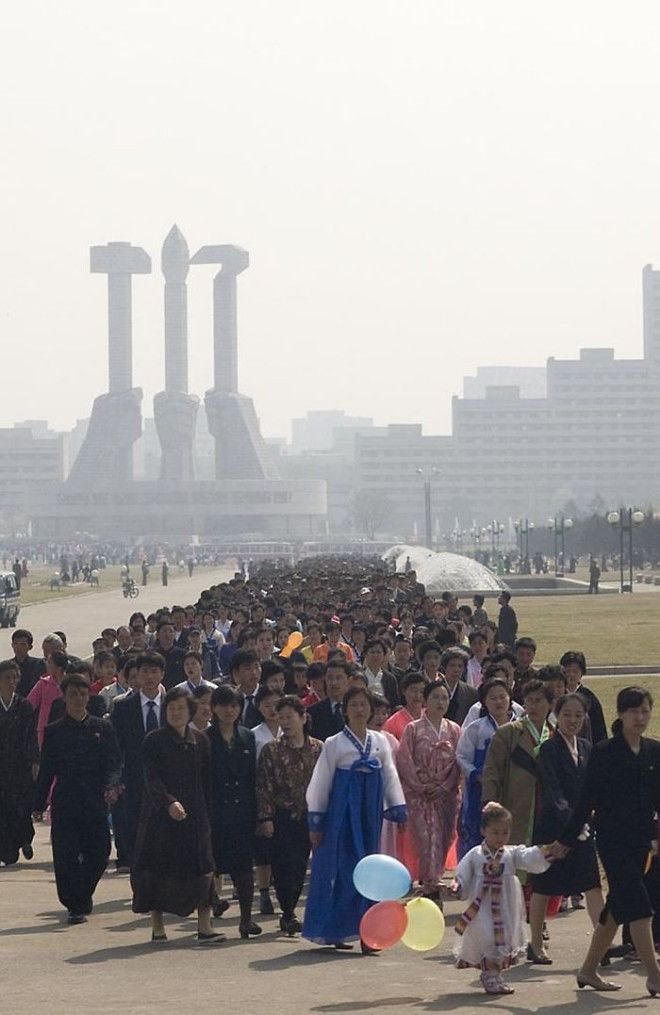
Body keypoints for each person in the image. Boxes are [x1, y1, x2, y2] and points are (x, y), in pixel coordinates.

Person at [553, 686, 660, 995]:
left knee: (615, 908)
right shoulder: (604, 752)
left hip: (643, 844)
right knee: (640, 908)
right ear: (621, 714)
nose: (640, 717)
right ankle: (653, 974)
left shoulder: (654, 751)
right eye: (633, 711)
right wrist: (566, 840)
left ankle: (588, 971)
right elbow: (586, 801)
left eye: (645, 711)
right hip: (613, 842)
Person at [303, 686, 407, 950]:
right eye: (354, 706)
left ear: (371, 709)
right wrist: (317, 819)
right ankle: (339, 929)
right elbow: (321, 783)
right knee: (345, 868)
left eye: (364, 705)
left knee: (371, 868)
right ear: (345, 711)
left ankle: (369, 933)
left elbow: (390, 775)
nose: (359, 710)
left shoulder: (381, 741)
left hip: (370, 810)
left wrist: (397, 806)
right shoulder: (334, 743)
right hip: (342, 813)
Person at [131, 687, 222, 944]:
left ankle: (204, 926)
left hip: (196, 818)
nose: (176, 712)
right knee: (158, 872)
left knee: (204, 868)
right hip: (161, 818)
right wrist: (168, 802)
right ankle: (157, 926)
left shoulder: (201, 741)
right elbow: (151, 778)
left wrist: (209, 816)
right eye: (171, 708)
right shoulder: (154, 740)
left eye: (181, 708)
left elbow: (208, 781)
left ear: (190, 711)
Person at [32, 674, 121, 924]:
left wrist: (112, 786)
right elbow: (47, 770)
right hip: (66, 803)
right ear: (64, 697)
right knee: (66, 856)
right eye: (73, 694)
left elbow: (114, 762)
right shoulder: (54, 731)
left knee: (100, 851)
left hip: (95, 801)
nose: (79, 699)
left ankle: (82, 893)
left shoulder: (102, 728)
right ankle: (74, 904)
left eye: (83, 694)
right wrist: (38, 805)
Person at [527, 692, 603, 964]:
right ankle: (535, 944)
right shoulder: (549, 748)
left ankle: (601, 943)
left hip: (582, 829)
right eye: (567, 714)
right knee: (544, 887)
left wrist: (588, 821)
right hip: (553, 830)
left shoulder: (586, 747)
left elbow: (593, 789)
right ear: (557, 716)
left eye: (578, 715)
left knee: (593, 885)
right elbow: (553, 792)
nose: (573, 720)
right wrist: (573, 823)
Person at [451, 803, 553, 995]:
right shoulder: (476, 854)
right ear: (483, 830)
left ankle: (494, 975)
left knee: (503, 938)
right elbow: (462, 873)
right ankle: (490, 975)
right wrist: (458, 886)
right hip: (482, 908)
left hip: (506, 906)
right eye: (495, 832)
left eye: (505, 833)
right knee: (487, 936)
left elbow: (530, 856)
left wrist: (549, 851)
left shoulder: (511, 853)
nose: (500, 837)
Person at [256, 695, 323, 935]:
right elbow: (263, 785)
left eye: (290, 717)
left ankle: (289, 909)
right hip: (282, 817)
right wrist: (265, 818)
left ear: (303, 718)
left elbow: (325, 783)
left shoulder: (318, 748)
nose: (285, 722)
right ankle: (288, 913)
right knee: (283, 867)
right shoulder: (271, 750)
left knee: (300, 867)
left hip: (309, 816)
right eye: (281, 717)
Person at [396, 678, 461, 900]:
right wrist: (420, 786)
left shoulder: (454, 730)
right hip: (420, 796)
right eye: (435, 697)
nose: (440, 702)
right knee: (424, 840)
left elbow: (458, 763)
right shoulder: (412, 729)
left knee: (444, 838)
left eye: (444, 698)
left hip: (446, 795)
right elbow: (404, 761)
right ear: (425, 701)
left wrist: (445, 785)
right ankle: (429, 885)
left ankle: (436, 878)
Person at [207, 685, 261, 938]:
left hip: (242, 812)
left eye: (234, 705)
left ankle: (246, 919)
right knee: (210, 865)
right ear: (213, 708)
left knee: (243, 869)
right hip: (214, 811)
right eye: (223, 705)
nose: (229, 710)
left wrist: (258, 813)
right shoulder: (204, 738)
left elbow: (253, 776)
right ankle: (213, 902)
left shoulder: (247, 736)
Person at [482, 679, 554, 849]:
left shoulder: (555, 733)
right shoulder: (508, 732)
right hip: (516, 803)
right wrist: (490, 802)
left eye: (538, 701)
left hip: (547, 805)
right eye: (529, 700)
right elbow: (492, 770)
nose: (533, 706)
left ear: (550, 704)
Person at [111, 651, 166, 871]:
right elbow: (116, 749)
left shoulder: (175, 705)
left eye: (154, 671)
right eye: (145, 672)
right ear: (137, 675)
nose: (150, 676)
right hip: (135, 782)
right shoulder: (123, 708)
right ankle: (140, 885)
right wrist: (116, 780)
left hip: (167, 781)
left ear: (162, 674)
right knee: (137, 836)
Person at [457, 676, 516, 859]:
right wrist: (475, 774)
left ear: (509, 698)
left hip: (514, 788)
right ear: (484, 702)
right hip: (479, 790)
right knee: (477, 829)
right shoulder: (476, 729)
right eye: (492, 698)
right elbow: (461, 756)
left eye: (502, 696)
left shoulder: (521, 726)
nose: (498, 702)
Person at [0, 659, 38, 865]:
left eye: (15, 678)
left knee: (20, 806)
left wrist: (34, 760)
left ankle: (24, 839)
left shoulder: (23, 705)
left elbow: (31, 735)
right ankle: (7, 848)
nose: (11, 682)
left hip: (19, 766)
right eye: (7, 678)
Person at [559, 650, 607, 745]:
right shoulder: (557, 695)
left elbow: (599, 730)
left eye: (575, 671)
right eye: (567, 671)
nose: (571, 675)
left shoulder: (589, 698)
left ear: (582, 673)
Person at [308, 659, 351, 741]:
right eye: (330, 678)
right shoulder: (312, 712)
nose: (333, 682)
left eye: (339, 678)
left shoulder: (357, 709)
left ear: (348, 680)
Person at [383, 670, 426, 741]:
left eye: (421, 691)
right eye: (414, 691)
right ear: (404, 691)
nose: (418, 696)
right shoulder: (392, 722)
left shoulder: (430, 716)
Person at [442, 648, 478, 726]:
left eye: (460, 666)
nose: (456, 670)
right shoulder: (434, 689)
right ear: (445, 666)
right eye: (452, 665)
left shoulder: (472, 693)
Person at [12, 629, 45, 698]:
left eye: (23, 644)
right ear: (12, 645)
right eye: (16, 644)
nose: (18, 647)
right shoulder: (7, 666)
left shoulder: (39, 664)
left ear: (30, 647)